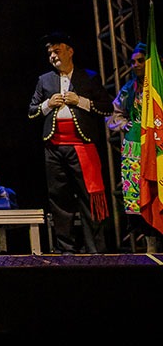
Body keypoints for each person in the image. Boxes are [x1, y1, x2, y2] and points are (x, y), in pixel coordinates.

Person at [29, 31, 115, 254]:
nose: (53, 56)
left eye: (57, 51)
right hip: (54, 148)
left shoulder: (89, 77)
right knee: (59, 198)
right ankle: (66, 248)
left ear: (69, 51)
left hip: (82, 147)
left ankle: (95, 249)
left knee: (90, 198)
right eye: (50, 53)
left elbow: (106, 107)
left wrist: (82, 101)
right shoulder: (44, 80)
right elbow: (31, 112)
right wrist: (47, 104)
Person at [106, 42, 161, 251]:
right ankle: (150, 247)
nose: (135, 65)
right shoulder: (129, 89)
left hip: (157, 147)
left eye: (140, 61)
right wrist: (124, 124)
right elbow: (113, 114)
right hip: (135, 147)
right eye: (132, 62)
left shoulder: (160, 85)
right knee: (139, 197)